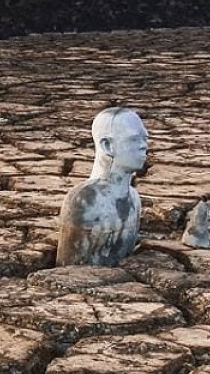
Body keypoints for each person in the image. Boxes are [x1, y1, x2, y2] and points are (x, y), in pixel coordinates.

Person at [56, 108, 148, 267]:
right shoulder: (86, 201)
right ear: (107, 146)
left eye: (145, 138)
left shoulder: (134, 198)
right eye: (134, 139)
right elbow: (68, 270)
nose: (143, 145)